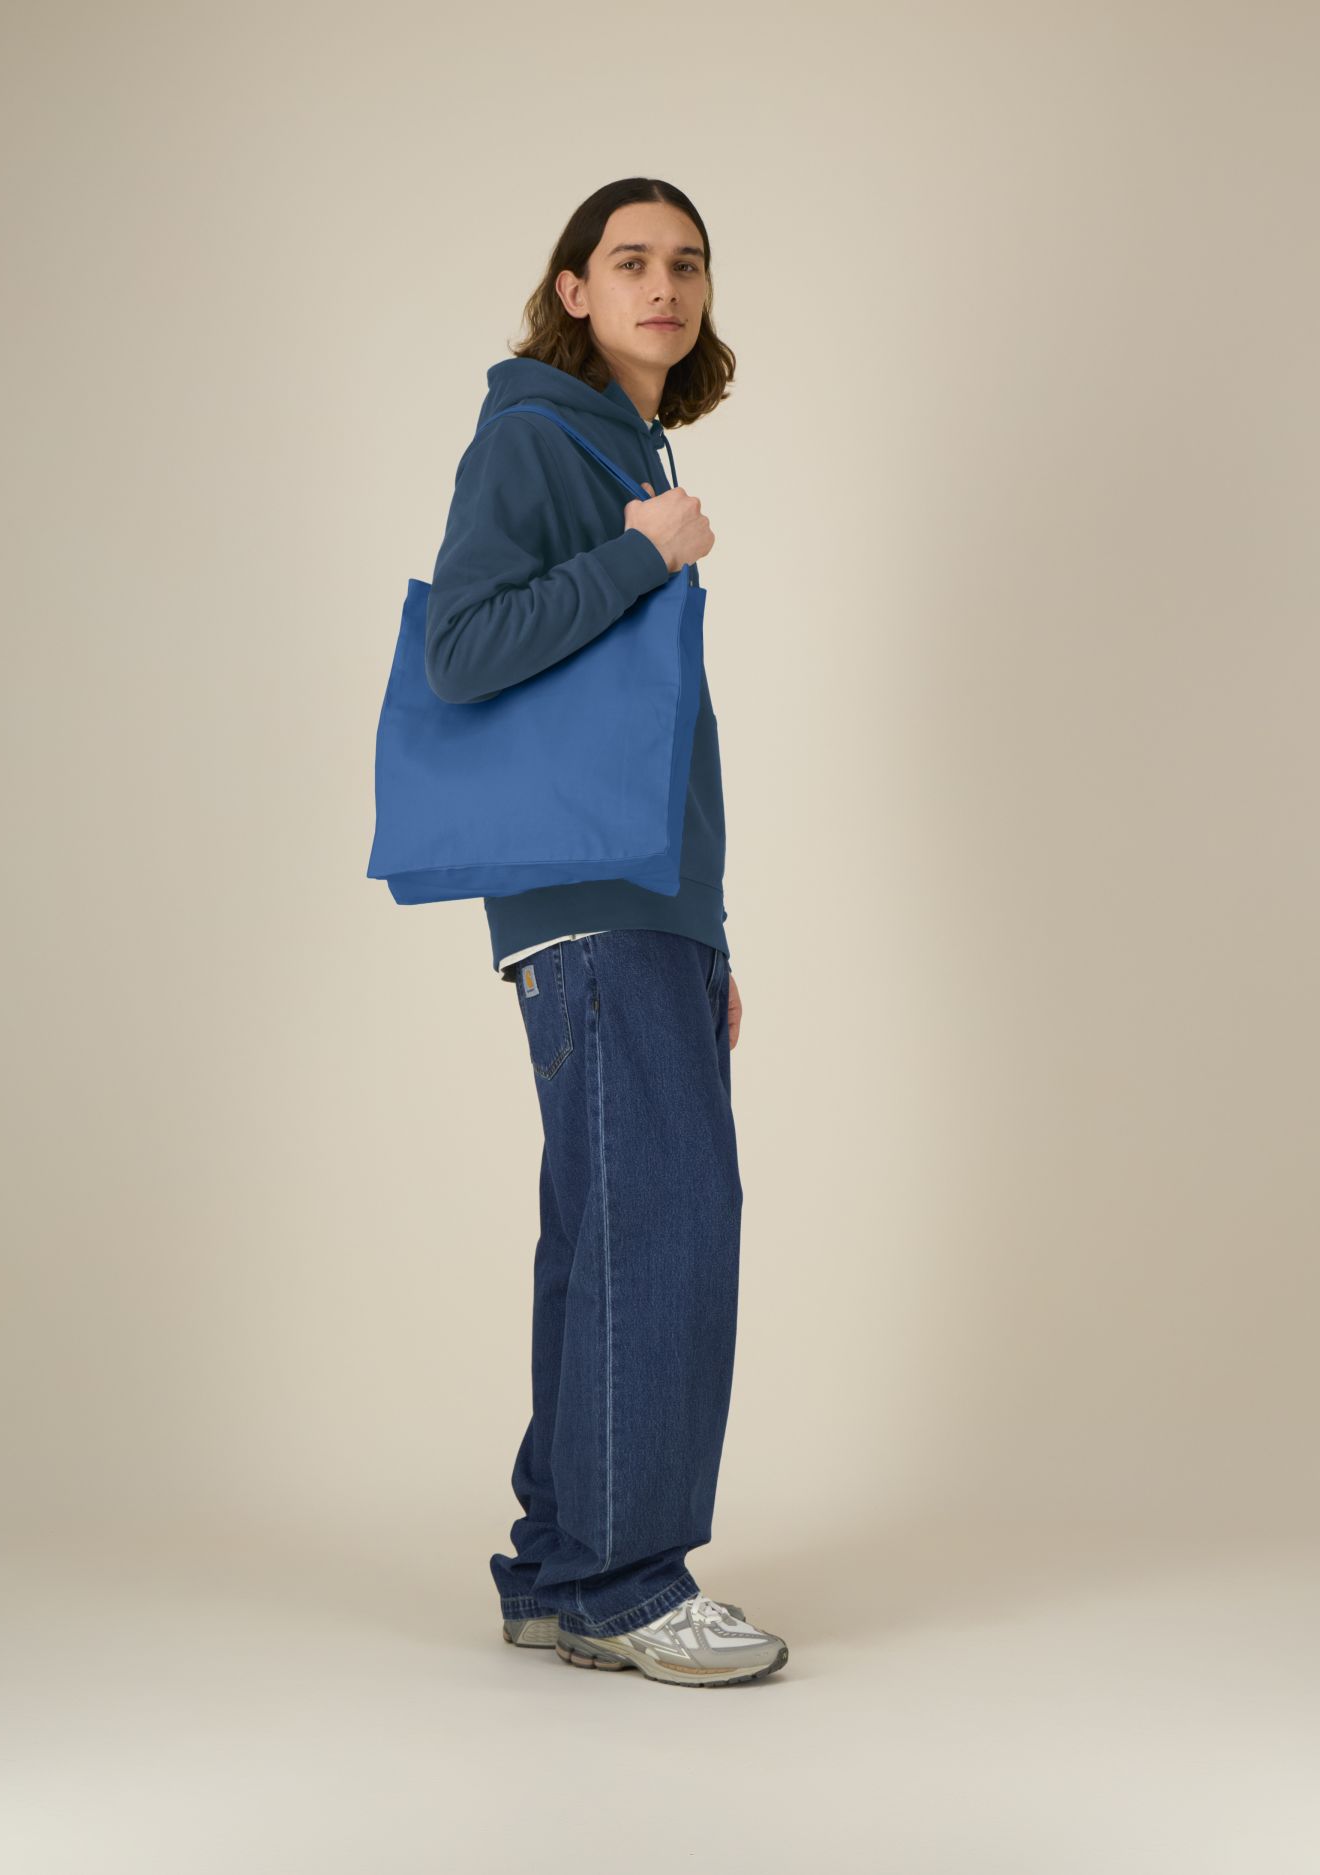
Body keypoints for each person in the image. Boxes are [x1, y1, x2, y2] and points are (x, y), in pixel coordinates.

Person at [423, 178, 787, 1687]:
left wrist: (709, 937)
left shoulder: (628, 448)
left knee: (606, 1231)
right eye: (630, 261)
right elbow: (462, 650)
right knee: (667, 1223)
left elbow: (653, 738)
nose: (665, 286)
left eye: (687, 263)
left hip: (642, 904)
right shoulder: (534, 435)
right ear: (572, 289)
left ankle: (560, 1563)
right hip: (590, 905)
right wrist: (645, 554)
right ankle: (630, 1584)